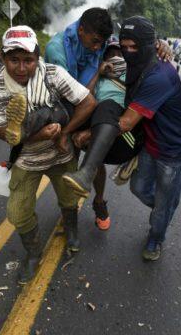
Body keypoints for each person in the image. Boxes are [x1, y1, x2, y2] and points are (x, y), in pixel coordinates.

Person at [0, 26, 97, 284]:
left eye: (28, 60)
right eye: (14, 60)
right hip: (26, 156)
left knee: (69, 199)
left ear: (38, 57)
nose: (21, 68)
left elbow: (88, 102)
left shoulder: (53, 74)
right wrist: (40, 136)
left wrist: (64, 133)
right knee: (17, 212)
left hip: (61, 153)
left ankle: (71, 228)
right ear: (2, 57)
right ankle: (33, 253)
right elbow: (2, 133)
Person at [117, 16, 181, 261]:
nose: (129, 52)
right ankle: (166, 206)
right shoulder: (140, 63)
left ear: (148, 46)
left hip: (173, 151)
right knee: (138, 188)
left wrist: (90, 131)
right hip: (151, 145)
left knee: (162, 207)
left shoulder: (159, 75)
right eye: (125, 46)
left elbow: (127, 123)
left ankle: (156, 237)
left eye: (134, 47)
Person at [62, 39, 144, 230]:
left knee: (106, 106)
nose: (115, 58)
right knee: (76, 115)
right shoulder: (100, 79)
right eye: (110, 55)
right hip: (100, 129)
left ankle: (90, 188)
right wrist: (98, 75)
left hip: (124, 135)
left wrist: (90, 132)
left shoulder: (133, 77)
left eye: (119, 54)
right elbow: (82, 99)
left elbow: (132, 117)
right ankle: (94, 201)